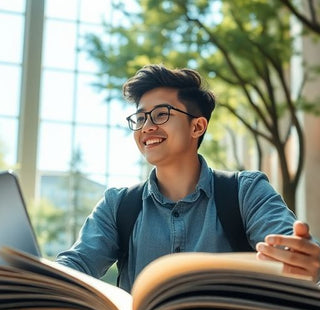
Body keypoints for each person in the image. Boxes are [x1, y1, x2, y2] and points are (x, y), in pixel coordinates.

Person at [56, 64, 320, 292]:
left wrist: (300, 259)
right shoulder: (117, 205)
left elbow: (290, 247)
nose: (147, 126)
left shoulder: (246, 192)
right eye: (139, 118)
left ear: (197, 126)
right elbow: (77, 264)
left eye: (161, 114)